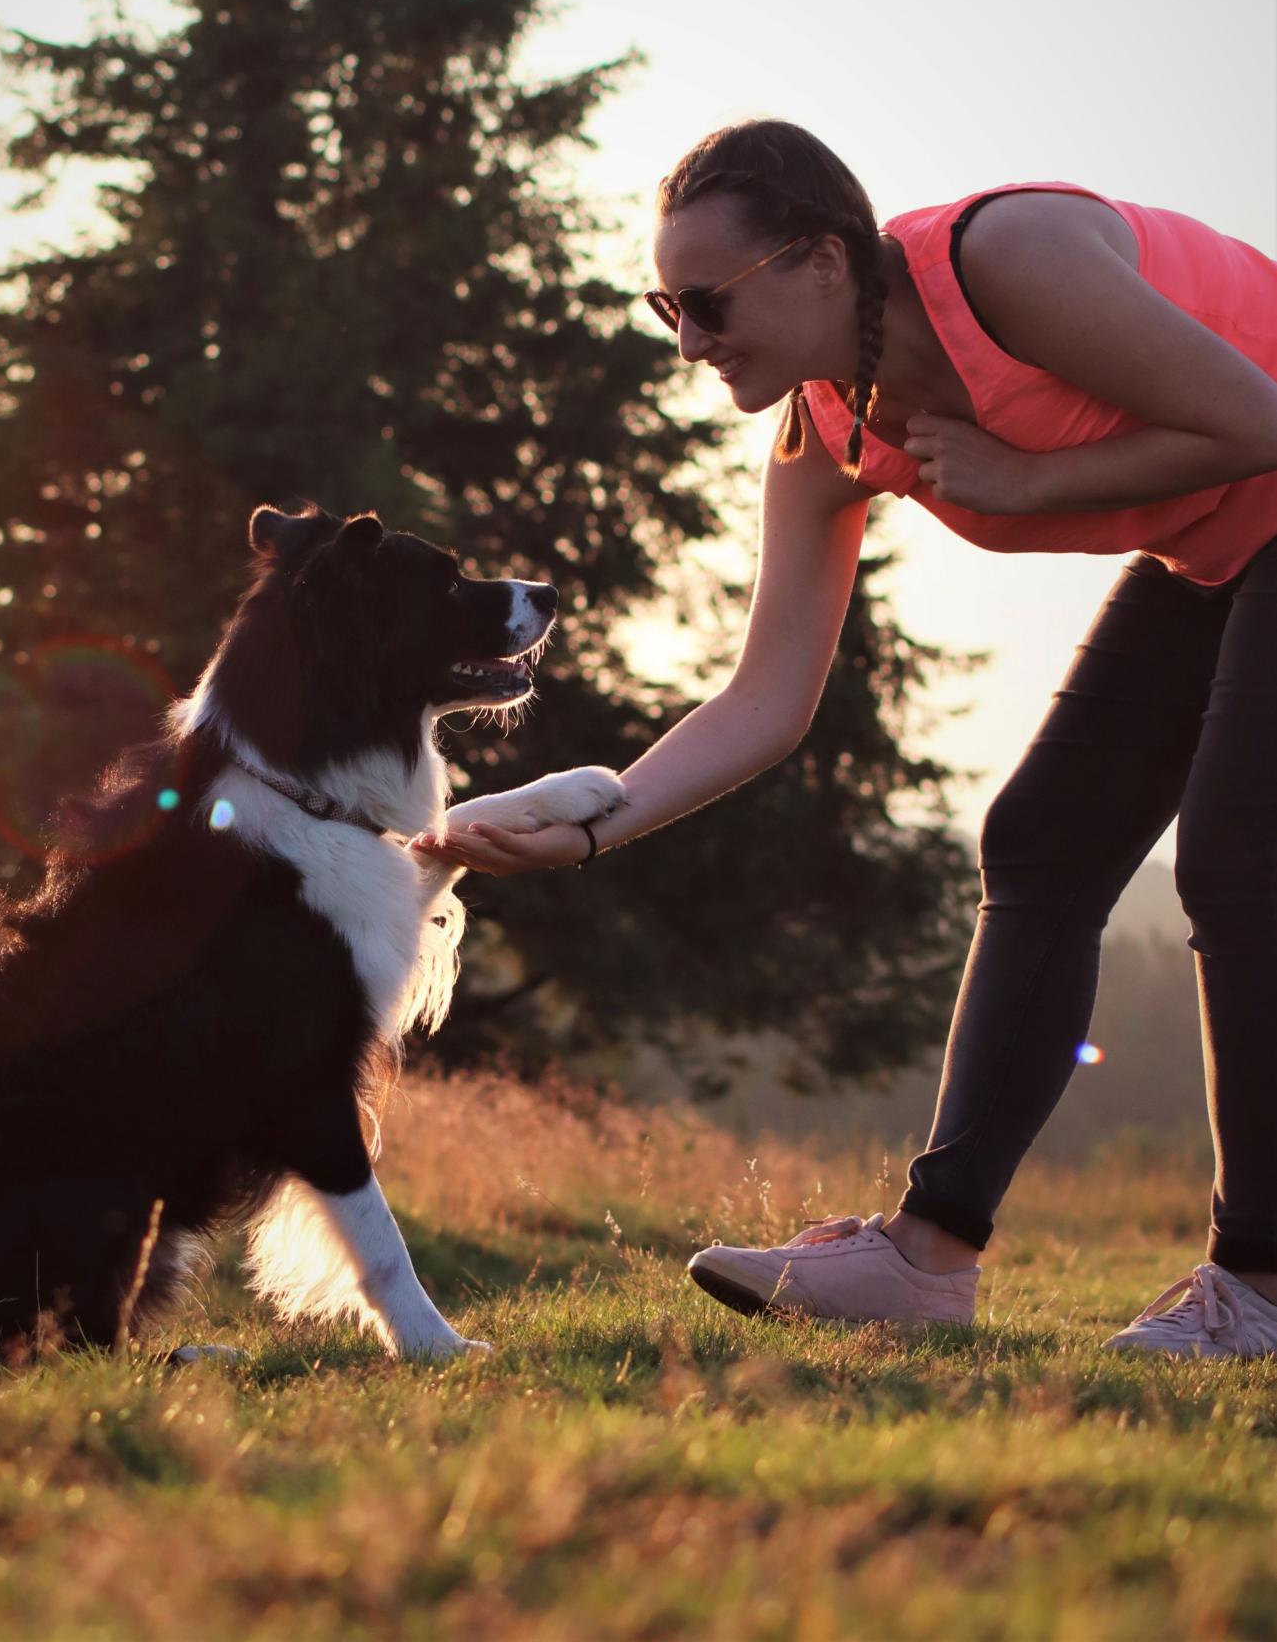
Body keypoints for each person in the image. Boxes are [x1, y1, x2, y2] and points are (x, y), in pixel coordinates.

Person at [410, 118, 1277, 1360]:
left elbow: (1260, 421)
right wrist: (600, 824)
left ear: (822, 262)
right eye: (669, 310)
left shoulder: (1010, 262)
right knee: (1039, 841)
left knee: (1240, 862)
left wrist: (1026, 486)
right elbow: (769, 695)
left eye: (707, 304)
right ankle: (927, 1262)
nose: (691, 345)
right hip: (1221, 534)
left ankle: (1262, 1282)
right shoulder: (824, 434)